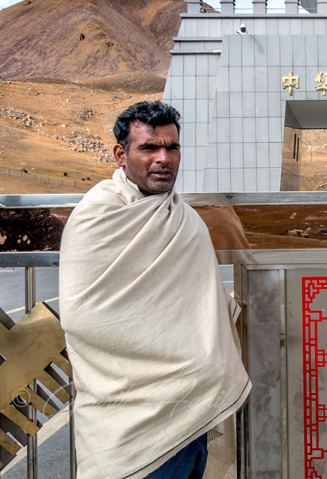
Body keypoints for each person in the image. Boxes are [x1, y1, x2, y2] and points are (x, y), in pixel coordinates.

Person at [59, 101, 251, 479]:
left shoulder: (184, 219)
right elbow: (84, 316)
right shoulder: (97, 215)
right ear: (121, 154)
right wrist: (179, 355)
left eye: (172, 147)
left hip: (192, 412)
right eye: (149, 148)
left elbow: (201, 302)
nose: (163, 158)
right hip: (127, 422)